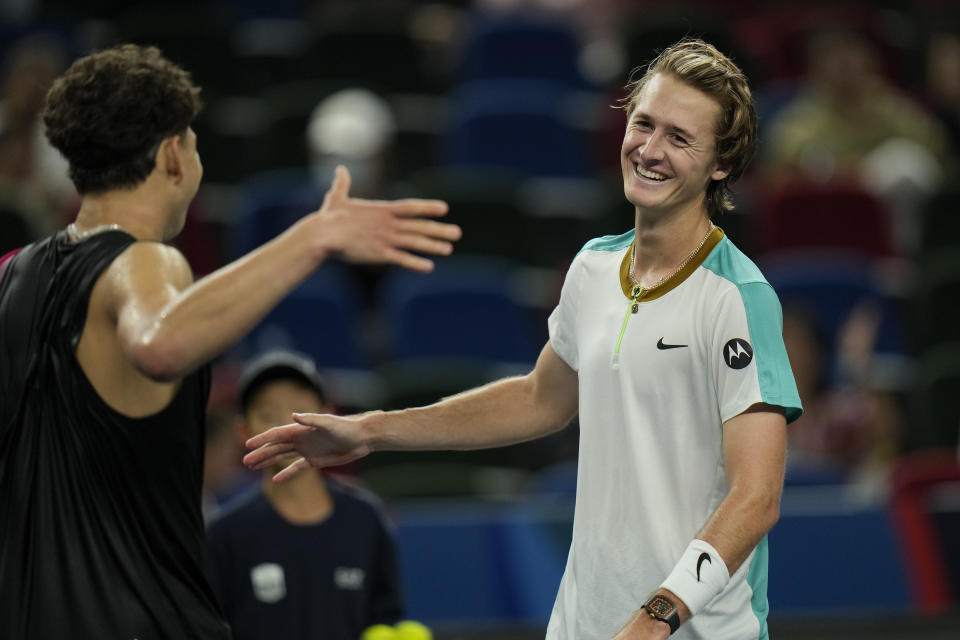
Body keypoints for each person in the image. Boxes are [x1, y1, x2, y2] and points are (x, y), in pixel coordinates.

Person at [245, 39, 802, 640]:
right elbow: (540, 398)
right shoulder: (592, 268)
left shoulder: (738, 298)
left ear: (721, 164)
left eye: (680, 138)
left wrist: (655, 618)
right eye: (644, 123)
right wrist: (369, 431)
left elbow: (756, 498)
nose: (649, 149)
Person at [0, 44, 459, 639]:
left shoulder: (11, 273)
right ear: (172, 155)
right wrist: (313, 238)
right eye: (193, 144)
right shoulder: (145, 264)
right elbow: (159, 341)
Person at [206, 351, 403, 640]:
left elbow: (388, 619)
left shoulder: (366, 519)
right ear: (243, 429)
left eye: (299, 411)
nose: (285, 428)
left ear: (329, 417)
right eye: (267, 414)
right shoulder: (224, 535)